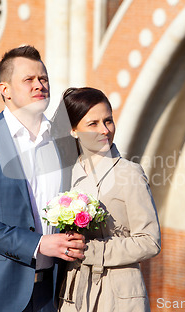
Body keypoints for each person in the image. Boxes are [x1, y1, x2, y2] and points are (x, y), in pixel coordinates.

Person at [0, 45, 85, 312]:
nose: (39, 85)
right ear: (5, 90)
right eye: (29, 80)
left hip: (55, 291)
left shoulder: (66, 143)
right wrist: (37, 244)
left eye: (43, 79)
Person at [58, 87, 161, 312]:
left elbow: (150, 241)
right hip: (73, 295)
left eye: (108, 121)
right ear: (74, 130)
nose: (104, 130)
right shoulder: (64, 175)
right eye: (92, 124)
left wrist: (92, 251)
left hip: (119, 295)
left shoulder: (130, 173)